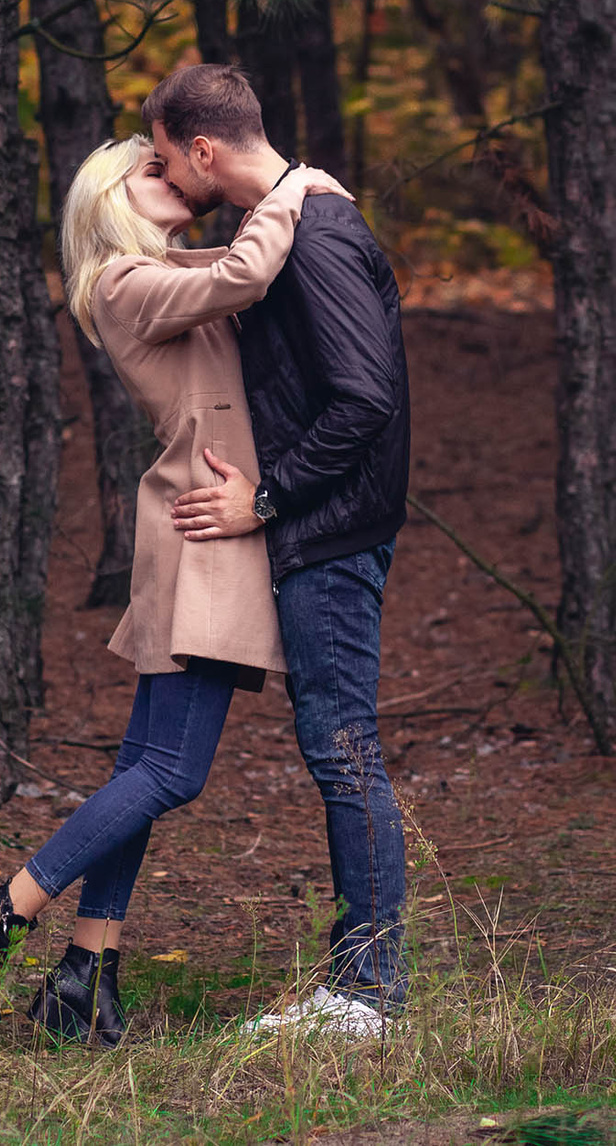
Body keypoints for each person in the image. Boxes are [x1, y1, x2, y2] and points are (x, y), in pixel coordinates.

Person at [0, 139, 350, 1046]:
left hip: (205, 524)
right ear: (111, 199)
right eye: (153, 170)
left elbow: (238, 274)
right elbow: (245, 271)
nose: (176, 177)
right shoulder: (121, 282)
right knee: (170, 772)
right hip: (204, 535)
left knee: (143, 766)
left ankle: (86, 972)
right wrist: (295, 184)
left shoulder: (159, 271)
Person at [150, 63, 412, 1038]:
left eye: (172, 159)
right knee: (337, 747)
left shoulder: (318, 243)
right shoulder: (293, 228)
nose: (171, 178)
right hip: (321, 527)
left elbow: (363, 400)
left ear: (205, 148)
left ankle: (366, 997)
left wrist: (265, 497)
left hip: (330, 533)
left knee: (344, 751)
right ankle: (361, 990)